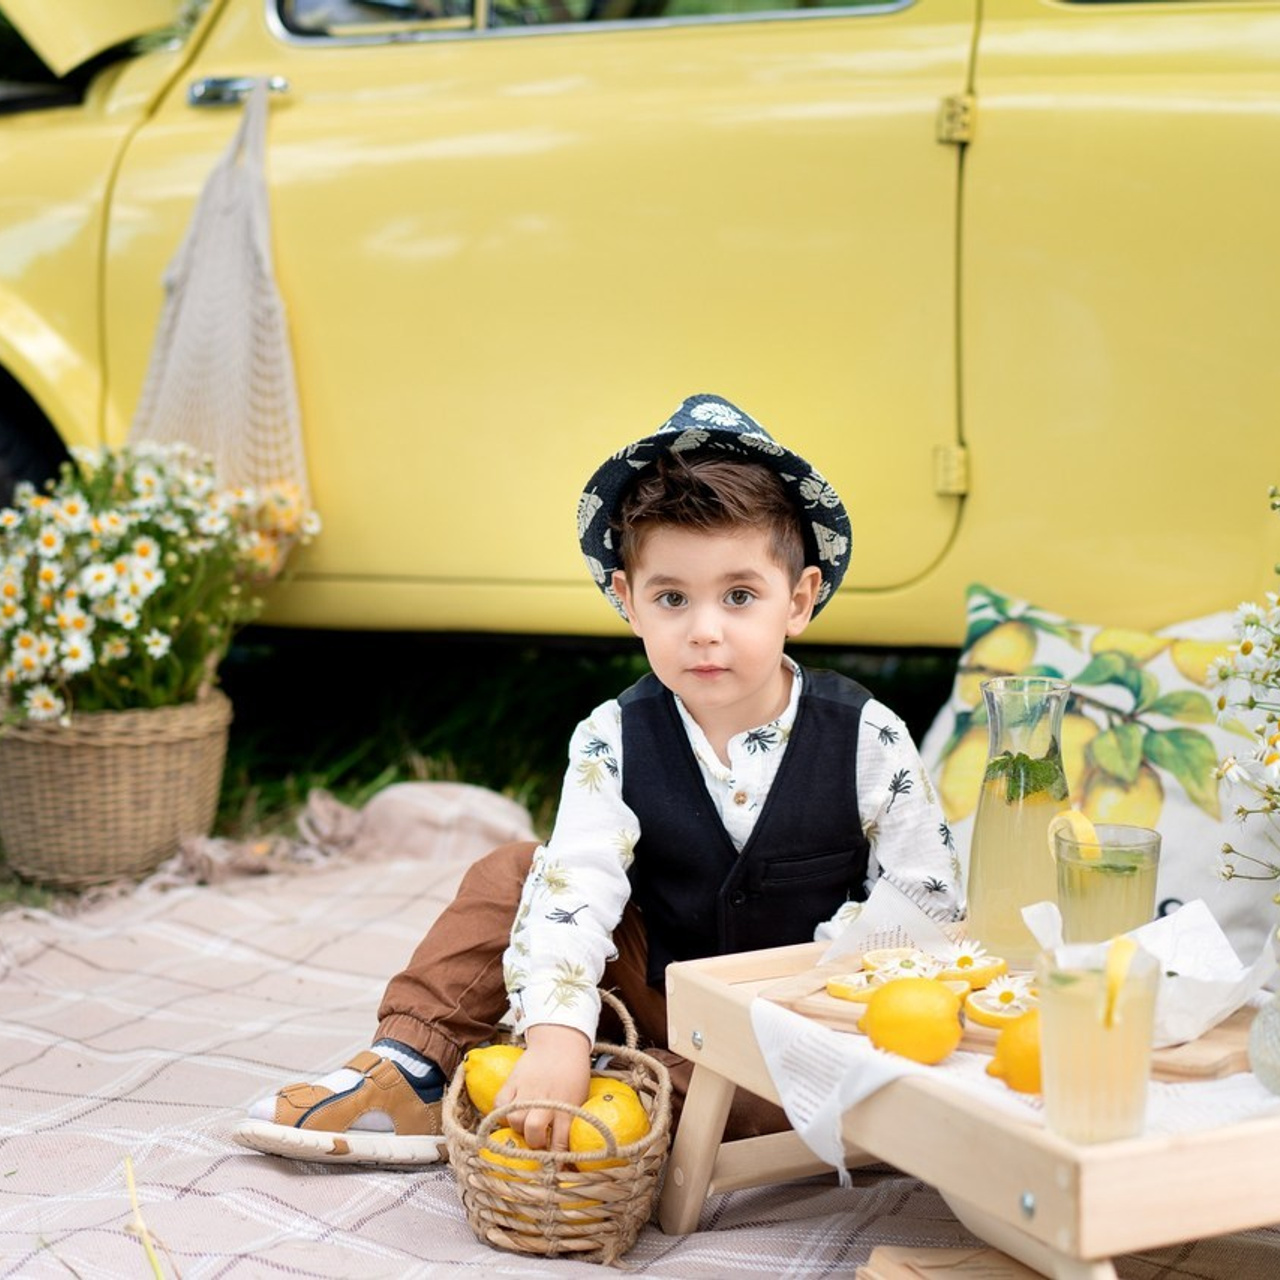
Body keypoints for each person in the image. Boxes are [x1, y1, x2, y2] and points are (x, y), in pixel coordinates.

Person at [233, 392, 963, 1165]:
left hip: (796, 1021)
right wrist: (557, 1031)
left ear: (800, 600)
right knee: (519, 870)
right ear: (628, 602)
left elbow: (927, 895)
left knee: (789, 1091)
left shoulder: (865, 735)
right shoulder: (614, 735)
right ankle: (416, 1069)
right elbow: (575, 886)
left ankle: (634, 1102)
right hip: (647, 986)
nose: (705, 629)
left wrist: (805, 992)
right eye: (672, 598)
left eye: (740, 596)